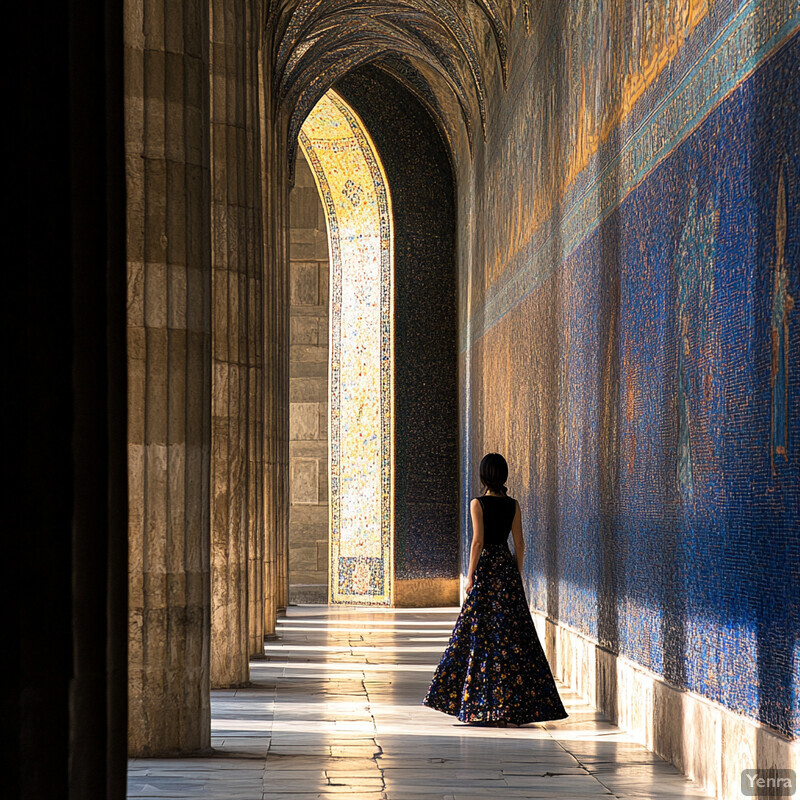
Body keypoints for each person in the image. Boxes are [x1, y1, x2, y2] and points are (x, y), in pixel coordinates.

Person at [422, 453, 568, 726]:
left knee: (478, 634)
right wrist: (517, 573)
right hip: (506, 571)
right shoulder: (513, 504)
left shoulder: (477, 504)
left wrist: (470, 577)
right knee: (513, 638)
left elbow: (477, 542)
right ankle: (516, 705)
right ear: (504, 476)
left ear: (483, 476)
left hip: (486, 571)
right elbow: (520, 544)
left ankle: (476, 702)